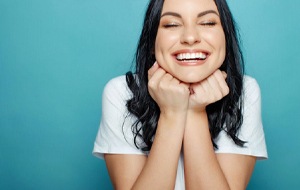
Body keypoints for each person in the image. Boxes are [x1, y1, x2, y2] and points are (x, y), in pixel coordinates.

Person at [93, 0, 268, 189]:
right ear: (152, 42)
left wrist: (195, 111)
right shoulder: (122, 92)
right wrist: (172, 113)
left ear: (225, 35)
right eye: (172, 25)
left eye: (207, 23)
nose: (190, 37)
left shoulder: (245, 92)